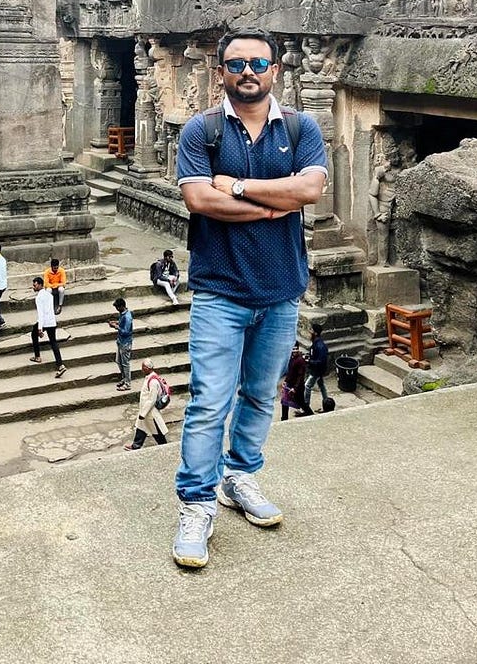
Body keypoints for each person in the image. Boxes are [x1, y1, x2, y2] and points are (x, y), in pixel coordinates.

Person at [172, 28, 327, 569]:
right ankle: (196, 503)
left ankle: (240, 477)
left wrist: (235, 188)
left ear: (275, 71)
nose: (248, 72)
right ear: (221, 73)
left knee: (261, 396)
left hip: (281, 290)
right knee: (210, 402)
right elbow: (197, 199)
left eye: (258, 63)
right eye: (236, 64)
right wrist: (270, 204)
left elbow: (308, 191)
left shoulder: (303, 127)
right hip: (219, 289)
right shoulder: (202, 130)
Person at [125, 358, 169, 450]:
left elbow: (151, 400)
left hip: (150, 412)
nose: (142, 369)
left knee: (156, 431)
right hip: (146, 410)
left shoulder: (153, 381)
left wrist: (143, 413)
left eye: (143, 367)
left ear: (148, 368)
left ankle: (164, 446)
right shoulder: (151, 377)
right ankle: (136, 445)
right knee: (141, 427)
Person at [30, 276, 66, 377]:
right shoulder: (49, 295)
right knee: (53, 342)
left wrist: (40, 328)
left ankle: (37, 356)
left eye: (35, 285)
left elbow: (41, 314)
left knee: (34, 333)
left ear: (40, 285)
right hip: (51, 321)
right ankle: (60, 365)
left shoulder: (39, 298)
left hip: (44, 322)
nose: (34, 287)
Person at [301, 323, 330, 415]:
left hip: (317, 370)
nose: (310, 332)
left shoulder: (320, 345)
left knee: (307, 386)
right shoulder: (315, 343)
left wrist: (309, 362)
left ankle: (306, 408)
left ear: (316, 333)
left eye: (311, 330)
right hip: (317, 369)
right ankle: (327, 404)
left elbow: (321, 361)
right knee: (321, 386)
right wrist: (309, 357)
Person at [109, 297, 133, 391]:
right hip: (121, 341)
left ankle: (128, 383)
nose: (117, 309)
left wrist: (116, 326)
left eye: (117, 307)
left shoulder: (127, 317)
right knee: (118, 361)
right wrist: (117, 323)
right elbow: (122, 324)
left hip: (125, 343)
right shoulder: (123, 314)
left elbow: (125, 331)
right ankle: (124, 378)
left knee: (125, 363)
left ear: (122, 306)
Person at [279, 343, 306, 422]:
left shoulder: (300, 360)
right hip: (290, 385)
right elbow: (290, 372)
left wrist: (295, 388)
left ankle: (310, 414)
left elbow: (300, 376)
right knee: (284, 402)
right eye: (293, 349)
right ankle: (284, 418)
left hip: (297, 387)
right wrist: (286, 381)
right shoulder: (292, 359)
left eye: (295, 349)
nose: (294, 351)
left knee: (302, 403)